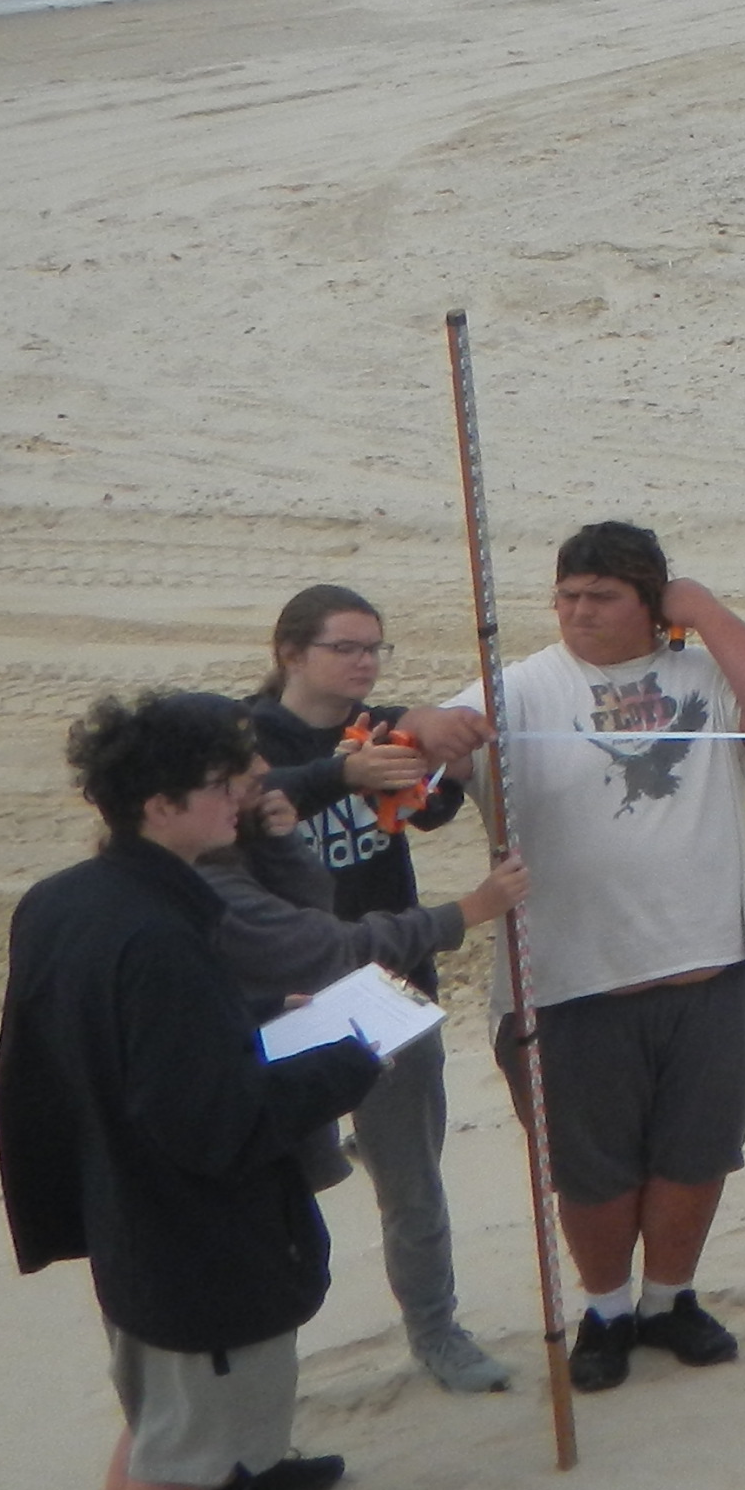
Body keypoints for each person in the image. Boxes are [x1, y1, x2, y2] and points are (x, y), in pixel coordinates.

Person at [0, 692, 392, 1490]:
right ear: (161, 805)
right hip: (186, 1232)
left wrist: (251, 1014)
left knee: (154, 1414)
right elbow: (215, 1125)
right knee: (180, 1445)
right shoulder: (157, 932)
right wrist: (350, 1058)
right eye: (222, 785)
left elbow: (111, 1041)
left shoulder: (67, 899)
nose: (244, 796)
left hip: (120, 1208)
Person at [451, 520, 745, 1392]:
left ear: (650, 603)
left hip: (709, 968)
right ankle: (607, 1310)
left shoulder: (705, 677)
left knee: (698, 1153)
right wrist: (426, 735)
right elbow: (445, 744)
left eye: (603, 597)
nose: (579, 611)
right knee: (593, 1170)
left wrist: (705, 612)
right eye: (567, 596)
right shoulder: (518, 688)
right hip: (573, 983)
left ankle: (669, 1299)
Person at [243, 585, 518, 1392]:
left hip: (389, 983)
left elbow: (427, 810)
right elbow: (253, 806)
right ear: (291, 653)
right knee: (280, 1188)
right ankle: (258, 1353)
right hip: (284, 999)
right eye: (345, 648)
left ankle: (435, 1331)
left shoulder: (383, 726)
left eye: (374, 648)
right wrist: (344, 772)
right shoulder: (247, 738)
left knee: (414, 1186)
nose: (364, 663)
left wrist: (443, 759)